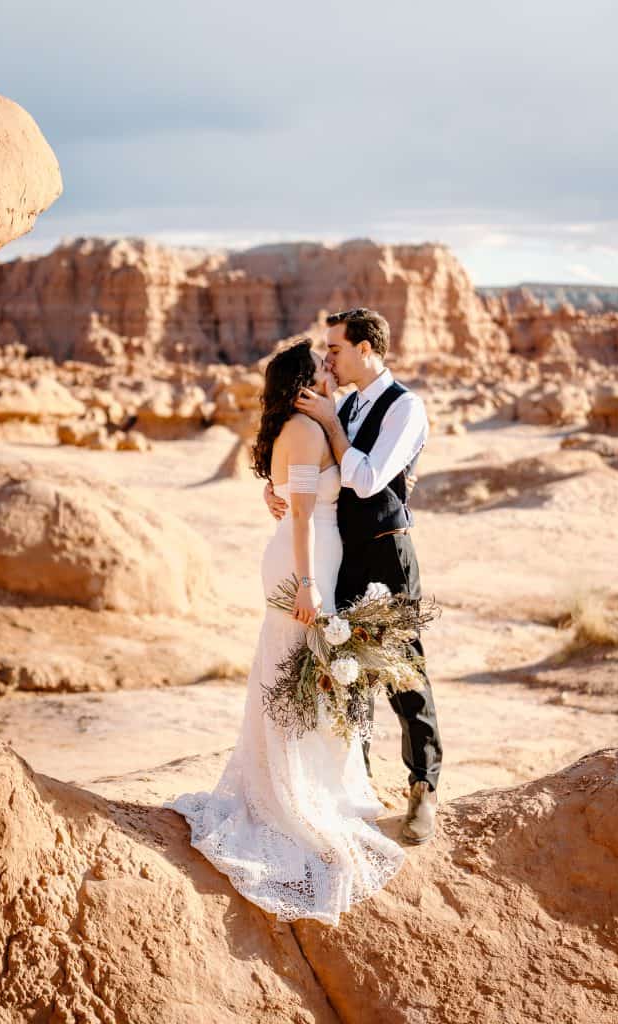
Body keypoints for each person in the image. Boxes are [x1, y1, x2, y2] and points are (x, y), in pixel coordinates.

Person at [164, 339, 405, 926]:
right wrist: (305, 583)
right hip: (305, 563)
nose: (331, 369)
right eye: (322, 366)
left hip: (314, 557)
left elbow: (296, 496)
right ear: (302, 381)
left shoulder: (308, 424)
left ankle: (314, 783)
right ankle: (284, 798)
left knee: (303, 675)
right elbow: (299, 512)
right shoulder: (302, 429)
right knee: (293, 671)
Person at [264, 308, 443, 844]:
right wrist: (275, 488)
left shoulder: (404, 408)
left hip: (387, 553)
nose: (331, 359)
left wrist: (331, 422)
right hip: (341, 555)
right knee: (346, 673)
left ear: (367, 349)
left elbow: (364, 480)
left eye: (336, 349)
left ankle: (423, 788)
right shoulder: (341, 405)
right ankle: (356, 783)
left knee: (403, 670)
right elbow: (317, 472)